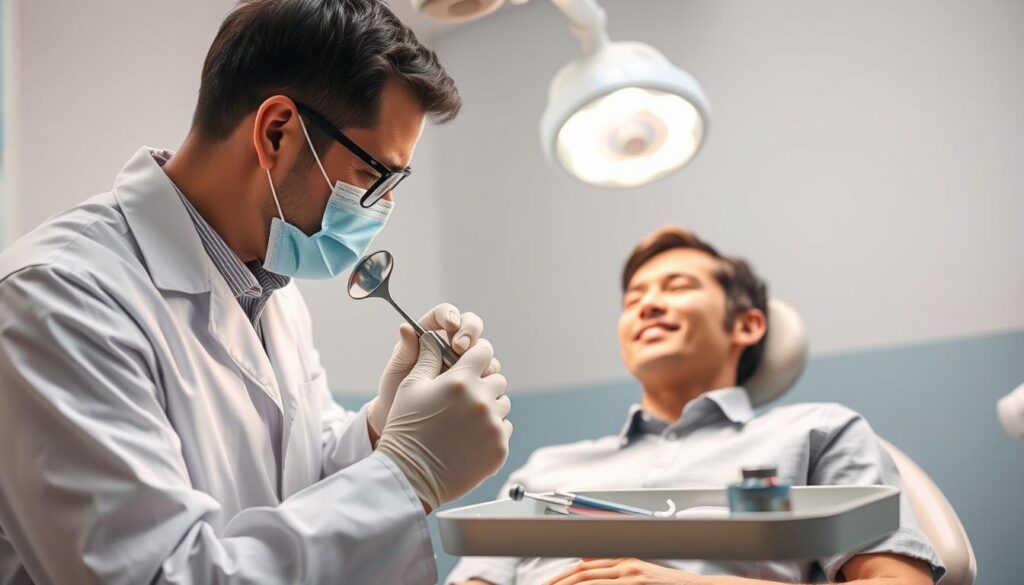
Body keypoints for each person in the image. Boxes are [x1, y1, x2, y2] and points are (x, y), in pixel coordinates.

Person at [0, 1, 512, 583]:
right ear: (277, 132)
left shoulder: (272, 292)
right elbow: (156, 575)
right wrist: (407, 473)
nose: (384, 207)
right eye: (374, 175)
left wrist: (379, 430)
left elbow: (297, 481)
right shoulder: (57, 299)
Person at [447, 226, 943, 585]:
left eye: (678, 286)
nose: (648, 304)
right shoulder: (544, 471)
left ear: (747, 325)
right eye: (634, 297)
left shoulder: (820, 433)